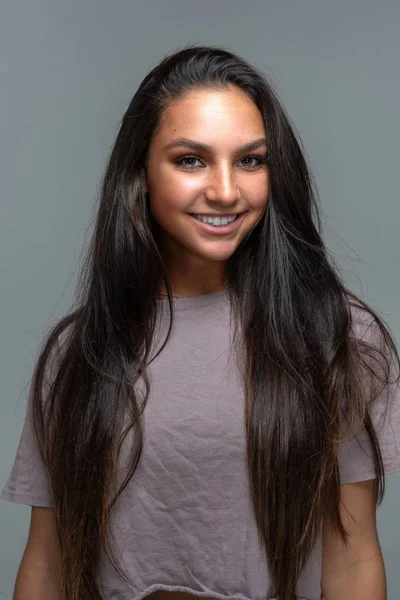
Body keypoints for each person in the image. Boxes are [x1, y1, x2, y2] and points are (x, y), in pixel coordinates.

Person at [1, 44, 400, 600]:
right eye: (191, 159)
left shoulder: (336, 338)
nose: (226, 190)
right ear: (140, 172)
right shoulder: (81, 352)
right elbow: (46, 565)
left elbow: (353, 557)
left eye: (250, 160)